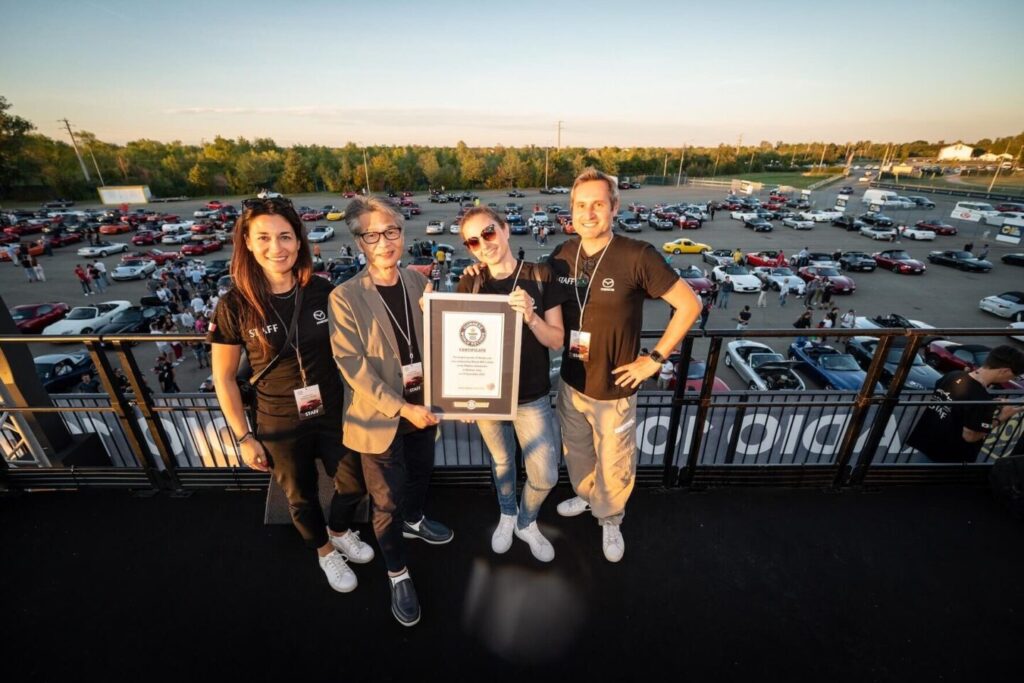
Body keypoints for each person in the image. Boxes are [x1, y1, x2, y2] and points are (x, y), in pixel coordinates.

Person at [209, 195, 372, 597]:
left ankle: (339, 530)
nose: (276, 247)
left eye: (285, 236)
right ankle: (324, 551)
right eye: (263, 237)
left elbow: (361, 343)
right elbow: (225, 379)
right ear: (247, 242)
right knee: (300, 499)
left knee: (354, 484)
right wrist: (244, 437)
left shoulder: (324, 292)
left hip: (332, 410)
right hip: (279, 419)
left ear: (299, 242)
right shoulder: (234, 306)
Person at [547, 168, 700, 563]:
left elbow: (689, 305)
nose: (589, 213)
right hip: (571, 381)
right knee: (578, 454)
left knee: (615, 461)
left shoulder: (637, 255)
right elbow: (529, 292)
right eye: (581, 205)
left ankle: (610, 516)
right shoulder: (563, 255)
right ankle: (588, 498)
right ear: (572, 210)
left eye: (598, 204)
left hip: (614, 388)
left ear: (614, 207)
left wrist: (654, 359)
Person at [329, 196, 453, 627]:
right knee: (385, 503)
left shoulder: (419, 285)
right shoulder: (344, 297)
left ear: (403, 234)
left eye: (392, 231)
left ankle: (416, 520)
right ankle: (397, 573)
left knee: (420, 475)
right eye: (372, 235)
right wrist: (404, 408)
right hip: (379, 416)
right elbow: (354, 368)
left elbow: (439, 346)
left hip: (423, 409)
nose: (384, 242)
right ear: (359, 241)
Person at [457, 207, 568, 562]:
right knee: (502, 462)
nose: (482, 244)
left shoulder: (539, 275)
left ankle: (526, 520)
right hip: (488, 398)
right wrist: (461, 399)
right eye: (472, 241)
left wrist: (532, 316)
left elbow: (556, 340)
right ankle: (507, 513)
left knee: (545, 474)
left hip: (531, 396)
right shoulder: (470, 282)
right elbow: (459, 346)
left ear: (505, 230)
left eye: (488, 233)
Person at [908, 346, 1024, 463]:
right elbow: (970, 436)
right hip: (949, 459)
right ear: (1005, 371)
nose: (1011, 379)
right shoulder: (981, 398)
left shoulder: (953, 375)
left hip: (925, 443)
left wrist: (988, 405)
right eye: (1015, 376)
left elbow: (956, 404)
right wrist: (1001, 418)